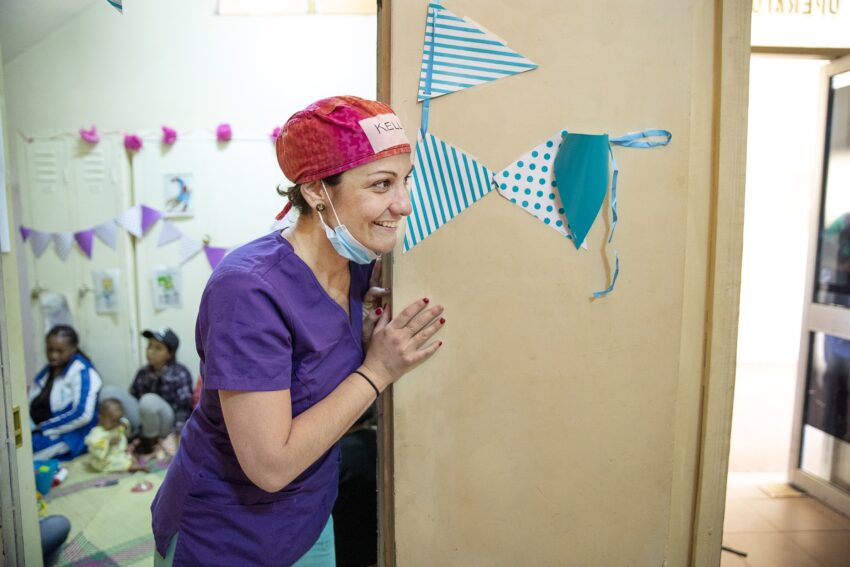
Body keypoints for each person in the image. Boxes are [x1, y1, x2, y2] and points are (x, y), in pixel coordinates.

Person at [150, 96, 446, 566]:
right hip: (228, 536)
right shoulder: (247, 291)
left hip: (309, 520)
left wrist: (361, 334)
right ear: (315, 191)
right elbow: (269, 466)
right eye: (382, 184)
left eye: (405, 180)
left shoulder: (359, 266)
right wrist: (377, 371)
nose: (403, 204)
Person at [102, 328, 194, 455]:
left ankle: (150, 446)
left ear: (170, 353)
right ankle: (120, 436)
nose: (150, 351)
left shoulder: (180, 373)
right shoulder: (143, 372)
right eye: (149, 346)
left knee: (148, 400)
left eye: (158, 348)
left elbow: (184, 410)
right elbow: (133, 397)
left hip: (166, 425)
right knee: (108, 393)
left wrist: (177, 436)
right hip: (144, 422)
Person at [29, 325, 102, 461]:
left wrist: (44, 427)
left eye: (60, 351)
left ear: (73, 349)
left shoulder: (83, 373)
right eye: (50, 350)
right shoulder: (47, 371)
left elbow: (82, 414)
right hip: (40, 428)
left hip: (69, 435)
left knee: (22, 457)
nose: (53, 355)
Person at [84, 398, 147, 473]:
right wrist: (108, 442)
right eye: (113, 421)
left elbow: (125, 432)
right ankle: (133, 467)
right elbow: (95, 449)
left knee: (131, 454)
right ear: (101, 418)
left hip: (119, 453)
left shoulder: (117, 425)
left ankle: (135, 460)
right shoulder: (97, 432)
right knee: (119, 462)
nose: (116, 424)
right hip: (105, 460)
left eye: (119, 420)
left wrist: (125, 427)